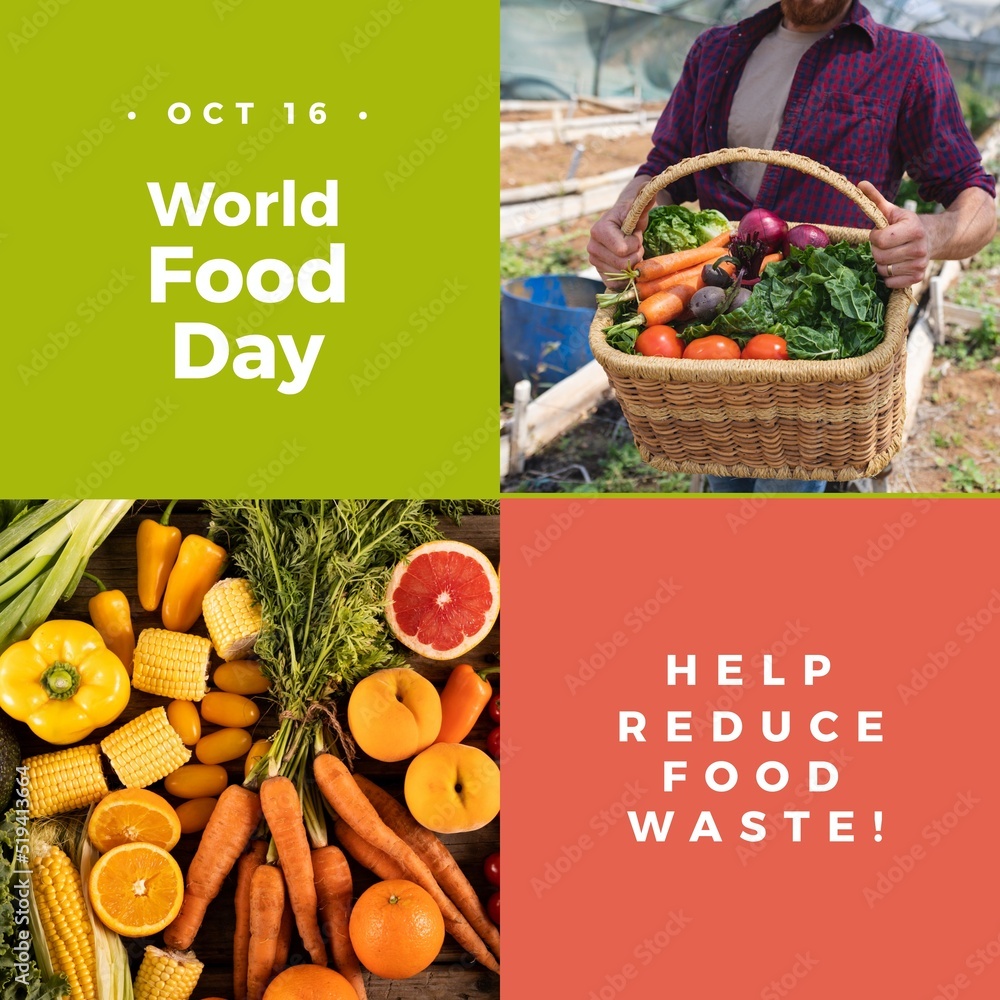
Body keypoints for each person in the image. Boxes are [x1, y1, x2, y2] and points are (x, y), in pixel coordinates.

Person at [588, 0, 997, 494]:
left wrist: (928, 236)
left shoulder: (907, 60)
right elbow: (666, 167)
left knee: (792, 490)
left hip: (822, 335)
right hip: (713, 312)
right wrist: (622, 217)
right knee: (725, 472)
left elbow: (973, 195)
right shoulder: (716, 50)